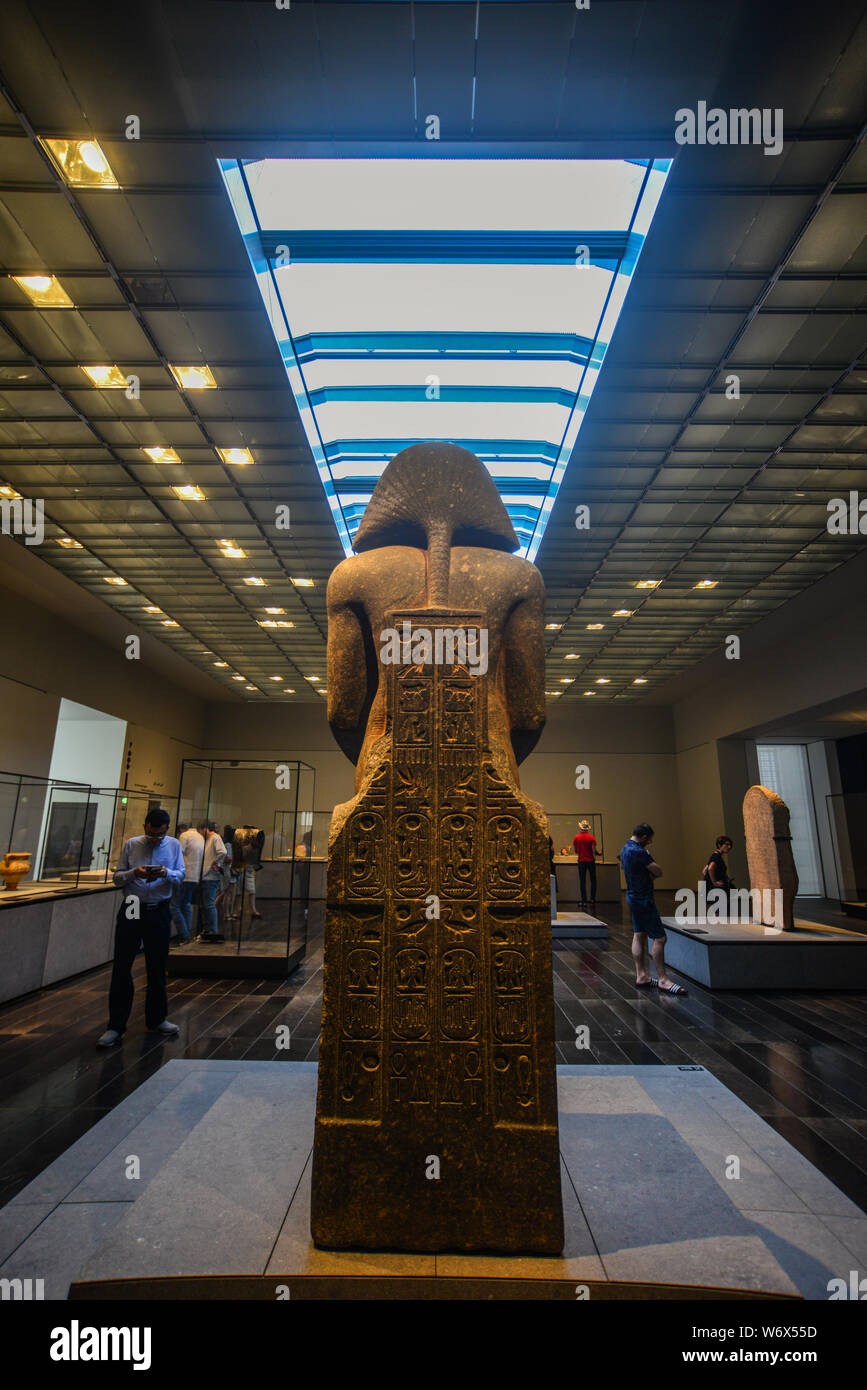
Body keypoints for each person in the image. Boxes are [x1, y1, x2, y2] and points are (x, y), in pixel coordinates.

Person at [98, 809, 185, 1046]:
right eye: (151, 833)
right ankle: (116, 1025)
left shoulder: (174, 845)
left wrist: (166, 873)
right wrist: (132, 873)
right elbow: (117, 878)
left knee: (157, 966)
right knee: (122, 966)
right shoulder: (132, 844)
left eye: (159, 834)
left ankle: (157, 1018)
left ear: (166, 829)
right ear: (145, 826)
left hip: (158, 907)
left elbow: (180, 875)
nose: (155, 838)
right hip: (132, 906)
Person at [620, 822, 687, 997]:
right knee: (660, 938)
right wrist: (650, 872)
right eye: (649, 840)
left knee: (639, 934)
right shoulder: (639, 852)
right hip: (644, 898)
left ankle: (641, 975)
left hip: (633, 896)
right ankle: (663, 979)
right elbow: (658, 871)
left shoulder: (625, 849)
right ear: (643, 837)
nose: (649, 842)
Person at [197, 821, 228, 941]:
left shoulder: (215, 837)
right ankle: (208, 930)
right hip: (206, 875)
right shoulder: (210, 839)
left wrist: (216, 864)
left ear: (204, 829)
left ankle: (212, 931)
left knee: (209, 904)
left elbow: (223, 852)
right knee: (206, 904)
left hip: (210, 876)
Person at [572, 819, 598, 911]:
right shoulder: (591, 838)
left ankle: (584, 900)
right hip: (590, 861)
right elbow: (594, 850)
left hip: (581, 861)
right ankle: (592, 899)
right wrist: (598, 853)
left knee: (582, 881)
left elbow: (575, 850)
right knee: (593, 880)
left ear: (581, 828)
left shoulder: (576, 838)